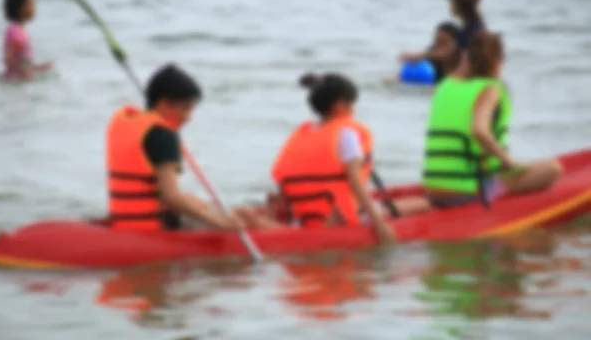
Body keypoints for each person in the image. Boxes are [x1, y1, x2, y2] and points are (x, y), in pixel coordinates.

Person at [270, 73, 428, 244]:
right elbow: (355, 182)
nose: (354, 108)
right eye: (352, 103)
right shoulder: (347, 133)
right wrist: (380, 225)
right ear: (340, 106)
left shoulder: (304, 133)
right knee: (424, 204)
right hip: (339, 218)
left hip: (306, 218)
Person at [423, 31, 562, 209]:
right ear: (498, 62)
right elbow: (479, 130)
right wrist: (508, 162)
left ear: (467, 59)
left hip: (434, 189)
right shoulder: (490, 89)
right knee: (553, 169)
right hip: (468, 190)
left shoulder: (444, 85)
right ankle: (497, 190)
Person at [106, 63, 250, 231]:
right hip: (154, 227)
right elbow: (171, 196)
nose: (188, 118)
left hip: (124, 221)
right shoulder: (163, 135)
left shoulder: (130, 123)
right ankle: (282, 238)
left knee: (199, 201)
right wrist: (220, 223)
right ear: (165, 104)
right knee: (247, 217)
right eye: (186, 109)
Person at [399, 0, 486, 79]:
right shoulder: (471, 26)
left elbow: (452, 53)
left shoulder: (474, 30)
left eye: (451, 0)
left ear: (460, 4)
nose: (450, 4)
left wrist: (419, 56)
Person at [2, 0, 53, 79]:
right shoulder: (14, 31)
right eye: (31, 4)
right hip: (15, 80)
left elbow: (24, 60)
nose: (34, 8)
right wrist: (21, 71)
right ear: (21, 9)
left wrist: (38, 67)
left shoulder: (21, 31)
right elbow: (8, 59)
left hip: (22, 79)